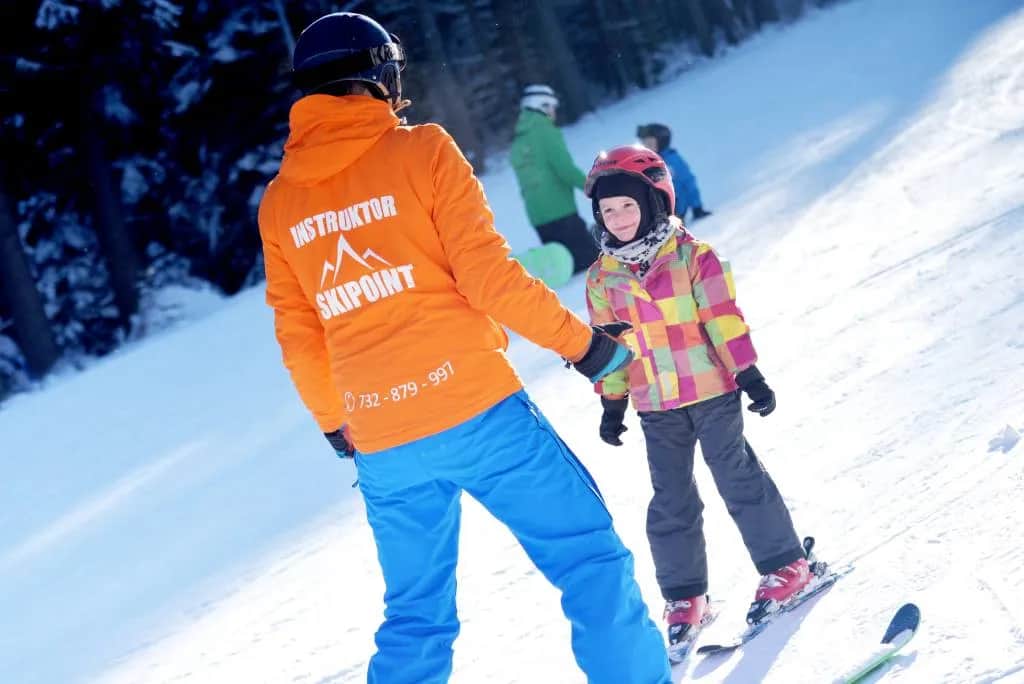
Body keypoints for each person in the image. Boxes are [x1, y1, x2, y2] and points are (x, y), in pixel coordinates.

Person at [258, 13, 671, 684]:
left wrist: (337, 423)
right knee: (588, 562)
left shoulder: (280, 203)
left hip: (382, 440)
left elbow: (299, 336)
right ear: (380, 74)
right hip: (479, 412)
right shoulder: (421, 150)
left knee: (415, 616)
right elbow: (489, 278)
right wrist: (588, 349)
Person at [582, 144, 812, 660]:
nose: (617, 218)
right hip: (654, 404)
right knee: (671, 498)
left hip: (712, 391)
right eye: (607, 210)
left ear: (655, 202)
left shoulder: (692, 257)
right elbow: (608, 346)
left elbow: (722, 319)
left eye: (627, 205)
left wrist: (748, 373)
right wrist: (612, 403)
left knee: (736, 476)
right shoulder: (601, 278)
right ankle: (685, 596)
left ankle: (786, 565)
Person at [510, 84, 599, 274]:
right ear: (541, 105)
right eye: (551, 107)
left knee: (564, 265)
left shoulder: (518, 140)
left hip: (537, 217)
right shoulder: (546, 131)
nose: (554, 112)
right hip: (562, 212)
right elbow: (565, 169)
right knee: (590, 261)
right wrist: (594, 186)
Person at [636, 123, 711, 222]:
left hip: (675, 208)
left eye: (650, 143)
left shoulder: (672, 161)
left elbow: (689, 183)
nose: (646, 146)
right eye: (644, 143)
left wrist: (697, 207)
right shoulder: (646, 161)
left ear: (661, 142)